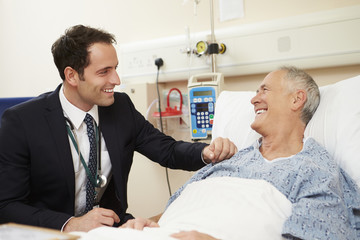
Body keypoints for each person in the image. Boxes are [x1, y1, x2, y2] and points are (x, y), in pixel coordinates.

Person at [0, 25, 237, 233]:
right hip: (51, 231)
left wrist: (205, 153)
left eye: (115, 68)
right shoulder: (21, 122)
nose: (116, 79)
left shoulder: (120, 107)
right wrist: (71, 224)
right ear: (72, 75)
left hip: (109, 229)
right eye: (104, 72)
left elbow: (167, 150)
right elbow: (7, 206)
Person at [121, 66, 360, 239]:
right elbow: (178, 209)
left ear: (297, 99)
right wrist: (147, 225)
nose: (254, 99)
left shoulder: (316, 171)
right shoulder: (227, 160)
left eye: (264, 90)